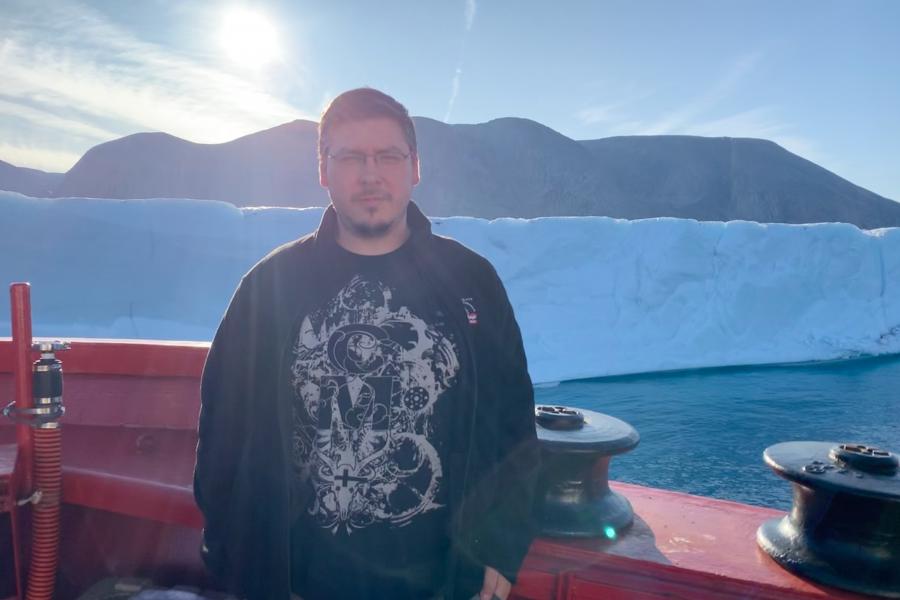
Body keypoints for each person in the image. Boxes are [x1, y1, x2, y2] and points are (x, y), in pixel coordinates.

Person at [194, 88, 541, 600]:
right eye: (351, 157)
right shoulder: (269, 287)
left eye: (389, 156)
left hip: (441, 584)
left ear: (415, 167)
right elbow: (221, 433)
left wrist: (500, 546)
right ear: (323, 170)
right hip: (300, 584)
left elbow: (512, 420)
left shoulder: (472, 281)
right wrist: (242, 564)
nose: (370, 174)